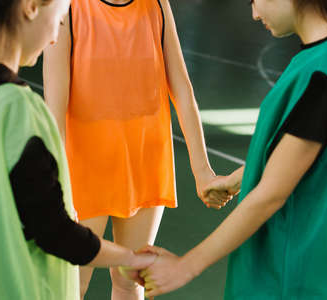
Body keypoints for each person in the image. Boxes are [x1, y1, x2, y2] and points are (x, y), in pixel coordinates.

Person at [138, 0, 327, 299]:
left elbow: (270, 195)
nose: (254, 14)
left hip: (293, 275)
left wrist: (184, 266)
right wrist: (236, 179)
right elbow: (307, 150)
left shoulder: (322, 73)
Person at [0, 1, 156, 299]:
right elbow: (55, 232)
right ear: (30, 7)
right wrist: (131, 258)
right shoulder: (16, 110)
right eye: (62, 18)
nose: (55, 36)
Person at [43, 0, 230, 298]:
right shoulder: (68, 8)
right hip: (85, 166)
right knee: (71, 284)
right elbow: (55, 106)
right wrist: (56, 180)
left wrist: (203, 172)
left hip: (145, 158)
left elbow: (182, 88)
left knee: (130, 280)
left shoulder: (156, 4)